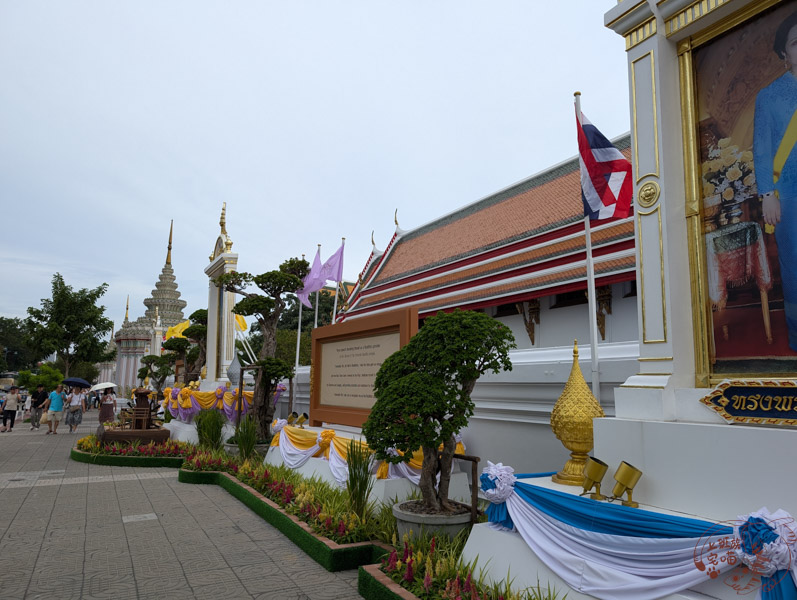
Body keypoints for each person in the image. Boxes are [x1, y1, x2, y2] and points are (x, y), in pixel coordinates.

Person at [754, 10, 797, 352]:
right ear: (785, 54)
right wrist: (768, 192)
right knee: (794, 267)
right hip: (790, 196)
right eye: (796, 43)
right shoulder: (769, 96)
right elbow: (763, 149)